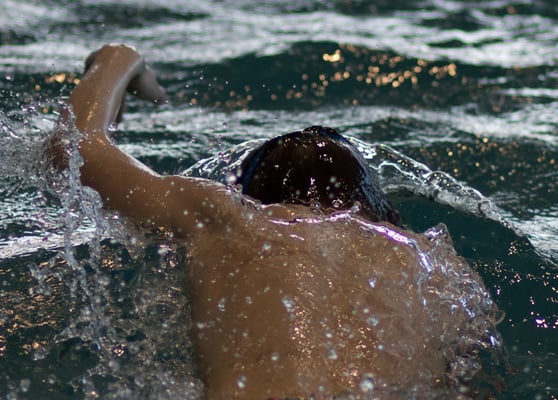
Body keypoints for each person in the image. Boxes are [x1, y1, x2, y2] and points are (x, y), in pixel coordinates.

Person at [45, 44, 501, 399]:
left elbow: (71, 149)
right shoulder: (438, 265)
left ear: (251, 198)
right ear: (387, 213)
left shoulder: (226, 217)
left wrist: (117, 60)